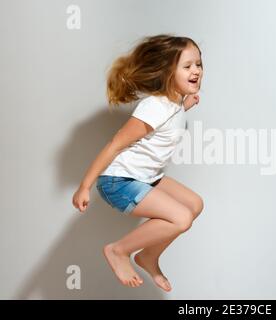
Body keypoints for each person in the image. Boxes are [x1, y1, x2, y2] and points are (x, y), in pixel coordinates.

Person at [72, 34, 204, 292]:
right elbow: (115, 144)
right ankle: (118, 251)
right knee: (181, 218)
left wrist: (184, 106)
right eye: (187, 66)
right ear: (167, 72)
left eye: (199, 64)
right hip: (118, 181)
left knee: (194, 204)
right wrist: (85, 186)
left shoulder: (173, 103)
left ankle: (148, 256)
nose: (196, 71)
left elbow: (165, 123)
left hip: (145, 177)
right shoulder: (154, 106)